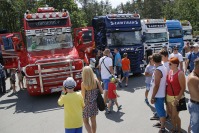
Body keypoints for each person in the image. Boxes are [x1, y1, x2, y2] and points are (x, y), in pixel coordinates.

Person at [81, 66, 103, 133]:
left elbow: (83, 96)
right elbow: (102, 91)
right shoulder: (96, 81)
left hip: (86, 105)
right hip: (94, 104)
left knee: (85, 121)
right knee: (93, 120)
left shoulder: (83, 83)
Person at [166, 57, 186, 133]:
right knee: (170, 114)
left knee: (175, 115)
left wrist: (177, 99)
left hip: (176, 97)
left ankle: (179, 130)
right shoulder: (170, 71)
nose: (169, 65)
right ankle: (174, 128)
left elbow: (183, 88)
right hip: (169, 96)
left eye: (170, 64)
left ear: (175, 64)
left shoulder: (180, 73)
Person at [150, 53, 167, 133]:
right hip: (161, 93)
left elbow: (157, 85)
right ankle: (161, 123)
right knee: (161, 110)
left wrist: (153, 96)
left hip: (158, 94)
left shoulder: (158, 70)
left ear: (153, 60)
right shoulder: (162, 66)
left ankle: (162, 127)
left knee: (160, 111)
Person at [187, 58, 199, 133]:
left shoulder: (193, 74)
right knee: (195, 129)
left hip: (194, 104)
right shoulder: (194, 78)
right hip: (196, 106)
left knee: (192, 124)